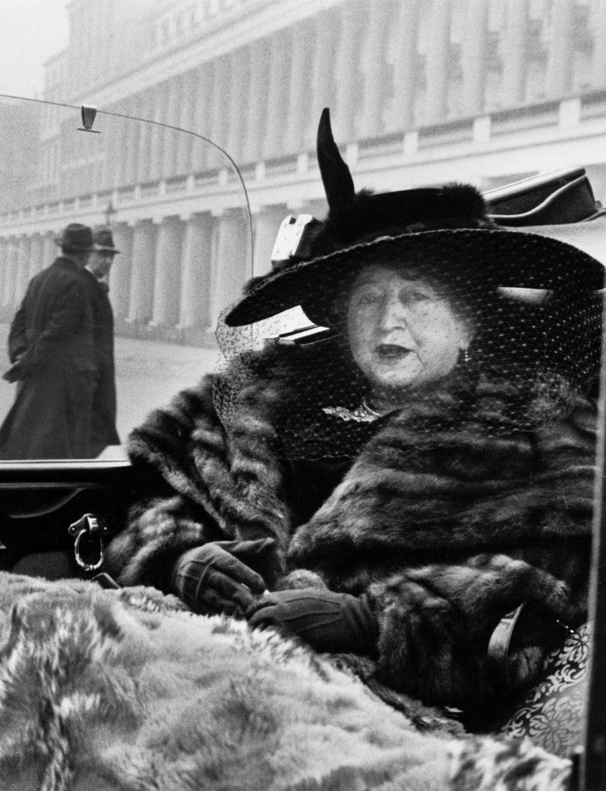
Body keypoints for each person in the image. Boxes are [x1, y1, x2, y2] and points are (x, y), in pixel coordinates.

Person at [106, 109, 604, 733]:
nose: (387, 319)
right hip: (200, 666)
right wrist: (182, 560)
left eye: (418, 297)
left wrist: (369, 621)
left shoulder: (534, 420)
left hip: (388, 716)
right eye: (368, 298)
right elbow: (147, 502)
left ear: (469, 319)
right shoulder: (248, 400)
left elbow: (560, 586)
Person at [0, 222, 99, 459]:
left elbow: (18, 323)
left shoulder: (39, 279)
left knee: (24, 440)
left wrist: (20, 354)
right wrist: (27, 361)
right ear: (86, 253)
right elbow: (57, 333)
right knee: (52, 449)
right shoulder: (77, 283)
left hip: (31, 377)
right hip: (59, 380)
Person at [86, 226, 121, 456]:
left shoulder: (95, 285)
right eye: (102, 255)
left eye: (110, 256)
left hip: (100, 377)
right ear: (88, 254)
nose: (108, 261)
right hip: (89, 378)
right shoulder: (82, 285)